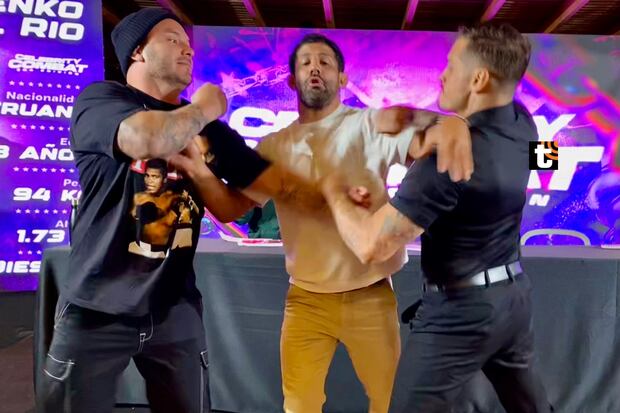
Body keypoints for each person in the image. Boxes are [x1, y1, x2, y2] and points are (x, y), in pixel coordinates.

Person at [38, 9, 270, 412]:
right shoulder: (102, 101)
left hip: (174, 306)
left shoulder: (209, 132)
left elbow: (250, 195)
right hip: (95, 305)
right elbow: (146, 139)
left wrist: (201, 172)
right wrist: (204, 109)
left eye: (189, 44)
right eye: (173, 38)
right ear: (138, 51)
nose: (188, 50)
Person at [320, 23, 552, 412]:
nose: (442, 75)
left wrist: (334, 193)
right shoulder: (522, 121)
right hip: (513, 299)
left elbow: (371, 246)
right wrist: (447, 124)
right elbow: (537, 161)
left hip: (460, 313)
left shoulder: (444, 164)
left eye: (452, 65)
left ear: (478, 79)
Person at [242, 33, 473, 413]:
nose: (315, 68)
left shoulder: (368, 124)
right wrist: (200, 162)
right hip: (305, 299)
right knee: (298, 404)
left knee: (389, 402)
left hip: (371, 294)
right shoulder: (272, 146)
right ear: (291, 80)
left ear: (343, 78)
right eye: (305, 63)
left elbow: (422, 148)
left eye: (325, 62)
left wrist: (450, 125)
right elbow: (236, 206)